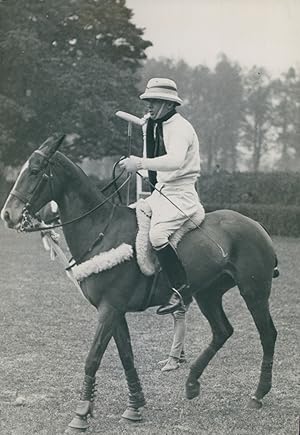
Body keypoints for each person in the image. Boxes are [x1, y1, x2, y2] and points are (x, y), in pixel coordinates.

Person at [119, 77, 204, 315]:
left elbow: (175, 161)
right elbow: (152, 167)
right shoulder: (156, 125)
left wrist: (140, 162)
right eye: (148, 101)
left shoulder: (181, 128)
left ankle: (181, 290)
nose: (149, 106)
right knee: (131, 214)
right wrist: (134, 165)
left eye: (154, 101)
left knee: (157, 234)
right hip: (162, 193)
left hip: (182, 195)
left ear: (168, 104)